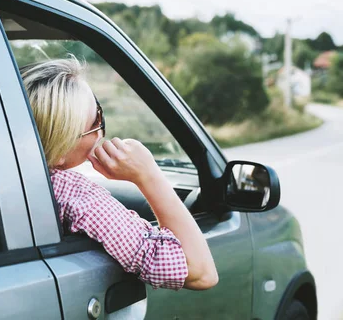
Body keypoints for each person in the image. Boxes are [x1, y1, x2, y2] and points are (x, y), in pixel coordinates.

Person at [19, 57, 218, 290]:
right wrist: (148, 175)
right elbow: (200, 273)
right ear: (60, 149)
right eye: (96, 120)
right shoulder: (78, 198)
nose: (102, 130)